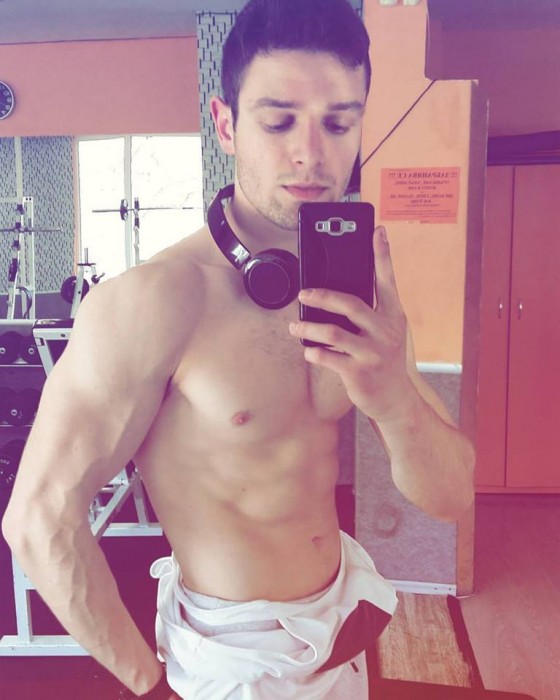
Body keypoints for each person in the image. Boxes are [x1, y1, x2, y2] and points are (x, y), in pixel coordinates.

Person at [2, 0, 475, 698]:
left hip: (341, 631)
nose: (310, 153)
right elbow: (38, 518)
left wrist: (396, 400)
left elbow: (450, 497)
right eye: (278, 122)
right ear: (225, 124)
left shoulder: (357, 289)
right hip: (234, 664)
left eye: (338, 123)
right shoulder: (157, 299)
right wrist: (151, 686)